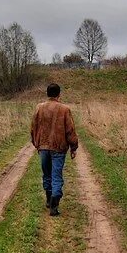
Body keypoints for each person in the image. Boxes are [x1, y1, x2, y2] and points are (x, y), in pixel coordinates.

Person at [30, 82, 78, 216]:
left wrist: (36, 143)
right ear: (59, 94)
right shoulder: (65, 109)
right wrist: (74, 147)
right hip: (59, 147)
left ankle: (48, 199)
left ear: (47, 94)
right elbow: (70, 131)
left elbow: (33, 127)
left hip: (43, 147)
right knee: (56, 175)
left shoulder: (39, 108)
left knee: (47, 174)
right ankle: (54, 205)